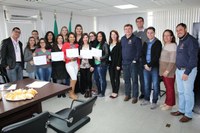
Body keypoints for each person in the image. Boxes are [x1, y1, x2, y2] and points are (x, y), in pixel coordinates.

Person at [171, 23, 198, 122]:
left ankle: (188, 114)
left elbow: (193, 58)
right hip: (179, 70)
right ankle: (181, 110)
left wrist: (187, 72)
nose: (178, 32)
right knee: (181, 92)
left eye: (180, 29)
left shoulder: (191, 40)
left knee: (188, 93)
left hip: (187, 71)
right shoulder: (182, 40)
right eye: (177, 30)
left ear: (185, 29)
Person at [141, 27, 162, 109]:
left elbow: (157, 56)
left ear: (154, 33)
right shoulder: (145, 43)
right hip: (145, 67)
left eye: (151, 33)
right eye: (148, 33)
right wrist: (145, 65)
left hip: (154, 67)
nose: (150, 34)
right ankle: (146, 99)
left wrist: (149, 65)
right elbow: (142, 55)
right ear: (146, 34)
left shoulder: (158, 43)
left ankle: (154, 101)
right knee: (146, 84)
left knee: (156, 84)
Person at [121, 24, 142, 103]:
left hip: (133, 63)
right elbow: (122, 51)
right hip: (125, 63)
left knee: (134, 80)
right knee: (126, 80)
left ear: (132, 29)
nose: (127, 30)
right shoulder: (122, 39)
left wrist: (135, 60)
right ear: (124, 30)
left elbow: (139, 51)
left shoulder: (136, 39)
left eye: (129, 29)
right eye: (126, 29)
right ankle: (127, 94)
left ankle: (135, 96)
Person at [159, 29, 177, 110]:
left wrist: (167, 71)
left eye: (168, 35)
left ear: (171, 37)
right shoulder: (166, 44)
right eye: (164, 35)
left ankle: (170, 104)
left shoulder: (173, 45)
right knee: (167, 88)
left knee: (170, 88)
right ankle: (167, 102)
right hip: (164, 70)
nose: (166, 37)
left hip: (168, 71)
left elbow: (173, 61)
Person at [133, 17, 148, 99]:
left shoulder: (147, 32)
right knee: (138, 77)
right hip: (136, 60)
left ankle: (146, 93)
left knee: (144, 78)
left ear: (143, 22)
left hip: (145, 59)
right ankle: (141, 93)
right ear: (136, 23)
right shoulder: (134, 34)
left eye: (140, 21)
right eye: (137, 21)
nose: (139, 23)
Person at [62, 32, 80, 100]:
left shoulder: (76, 45)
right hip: (69, 64)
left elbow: (78, 56)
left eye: (73, 37)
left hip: (75, 63)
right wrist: (68, 58)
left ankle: (72, 92)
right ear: (68, 38)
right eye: (70, 37)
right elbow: (63, 54)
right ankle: (71, 93)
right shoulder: (65, 44)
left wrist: (78, 64)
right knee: (74, 78)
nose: (72, 38)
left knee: (73, 79)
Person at [94, 31, 109, 97]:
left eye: (100, 36)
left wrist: (100, 58)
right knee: (96, 79)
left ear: (103, 37)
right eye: (98, 36)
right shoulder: (98, 44)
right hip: (96, 64)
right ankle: (99, 91)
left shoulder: (105, 44)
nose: (99, 37)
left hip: (102, 65)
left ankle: (102, 93)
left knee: (102, 80)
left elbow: (107, 54)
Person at [79, 33, 94, 98]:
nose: (85, 39)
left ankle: (89, 91)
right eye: (84, 37)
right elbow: (78, 55)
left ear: (88, 38)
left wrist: (92, 66)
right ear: (82, 39)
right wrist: (79, 57)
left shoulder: (91, 46)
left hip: (89, 65)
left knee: (89, 79)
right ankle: (86, 91)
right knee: (84, 79)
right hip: (82, 65)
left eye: (86, 37)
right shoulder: (80, 46)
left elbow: (93, 56)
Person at [108, 30, 122, 98]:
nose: (113, 36)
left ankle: (116, 92)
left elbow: (120, 55)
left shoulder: (119, 44)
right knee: (111, 78)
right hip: (110, 63)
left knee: (117, 78)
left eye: (114, 34)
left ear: (117, 35)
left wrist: (119, 65)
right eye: (112, 34)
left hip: (117, 64)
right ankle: (113, 90)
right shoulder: (109, 44)